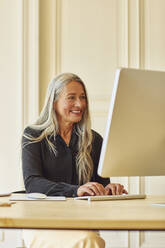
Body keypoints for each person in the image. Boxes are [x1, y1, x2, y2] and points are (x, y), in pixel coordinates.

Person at [22, 73, 127, 248]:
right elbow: (33, 183)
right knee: (88, 241)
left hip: (83, 222)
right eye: (71, 98)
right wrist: (76, 190)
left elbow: (100, 185)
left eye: (83, 97)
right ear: (53, 102)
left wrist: (109, 190)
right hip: (41, 221)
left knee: (88, 238)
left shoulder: (95, 140)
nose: (80, 104)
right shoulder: (33, 136)